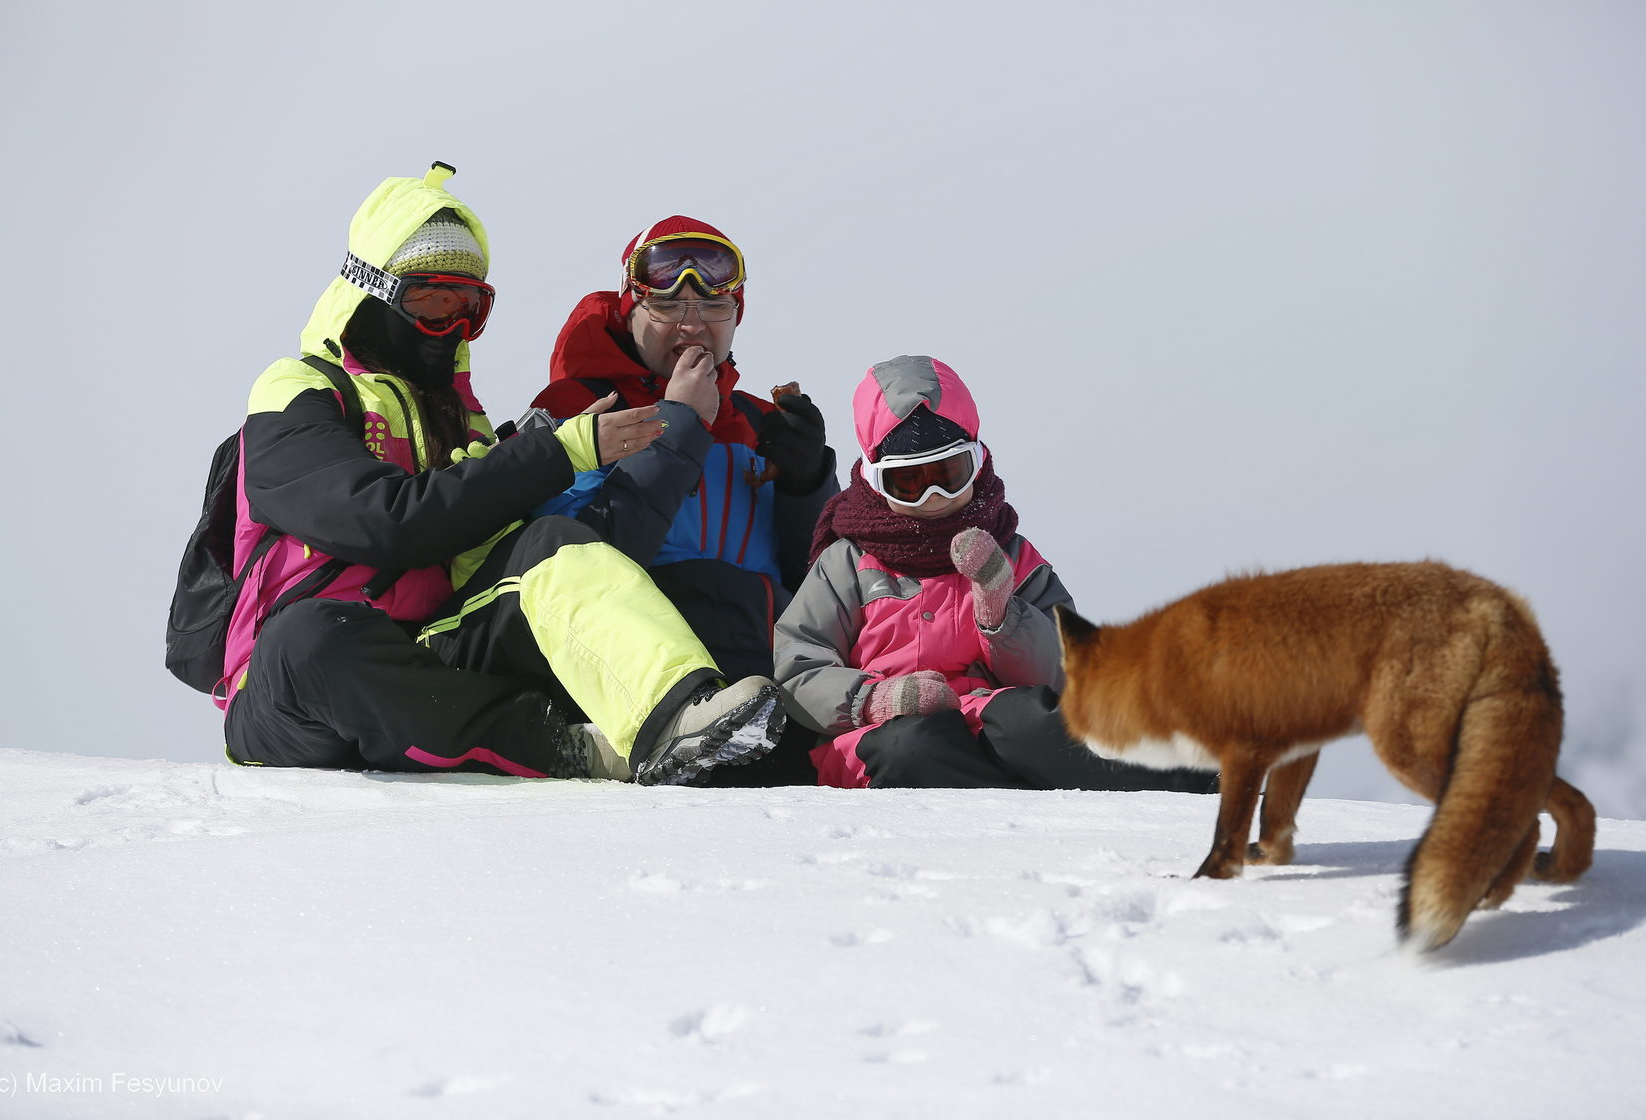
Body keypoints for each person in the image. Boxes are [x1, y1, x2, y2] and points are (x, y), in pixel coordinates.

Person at [219, 163, 784, 786]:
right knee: (311, 638)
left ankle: (675, 717)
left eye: (471, 307)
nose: (454, 328)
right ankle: (566, 749)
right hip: (297, 687)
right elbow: (379, 522)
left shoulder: (464, 423)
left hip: (433, 650)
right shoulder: (298, 392)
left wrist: (804, 477)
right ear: (371, 293)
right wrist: (554, 453)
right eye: (433, 303)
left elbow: (495, 556)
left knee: (549, 548)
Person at [774, 354, 1216, 792]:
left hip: (985, 716)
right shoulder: (848, 563)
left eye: (949, 474)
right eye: (908, 483)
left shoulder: (1010, 556)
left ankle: (1200, 768)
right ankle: (1014, 789)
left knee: (1030, 722)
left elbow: (1067, 672)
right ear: (874, 480)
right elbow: (798, 665)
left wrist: (1002, 614)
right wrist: (875, 700)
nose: (932, 497)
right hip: (877, 735)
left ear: (978, 462)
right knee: (914, 747)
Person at [527, 217, 839, 782]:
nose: (692, 324)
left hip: (769, 686)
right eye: (668, 308)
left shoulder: (755, 423)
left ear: (736, 316)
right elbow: (576, 558)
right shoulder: (579, 414)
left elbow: (825, 585)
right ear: (630, 310)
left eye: (713, 308)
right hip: (645, 694)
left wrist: (808, 485)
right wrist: (679, 426)